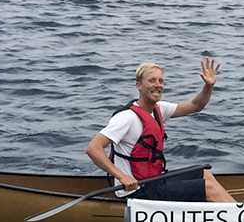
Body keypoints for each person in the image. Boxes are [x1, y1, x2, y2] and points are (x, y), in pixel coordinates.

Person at [86, 59, 235, 202]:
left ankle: (240, 211)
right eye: (152, 81)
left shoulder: (160, 109)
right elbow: (93, 148)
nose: (157, 85)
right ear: (139, 85)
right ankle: (241, 216)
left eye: (161, 81)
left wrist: (209, 86)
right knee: (208, 188)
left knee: (205, 174)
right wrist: (122, 177)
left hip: (154, 181)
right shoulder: (126, 117)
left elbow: (196, 105)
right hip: (136, 191)